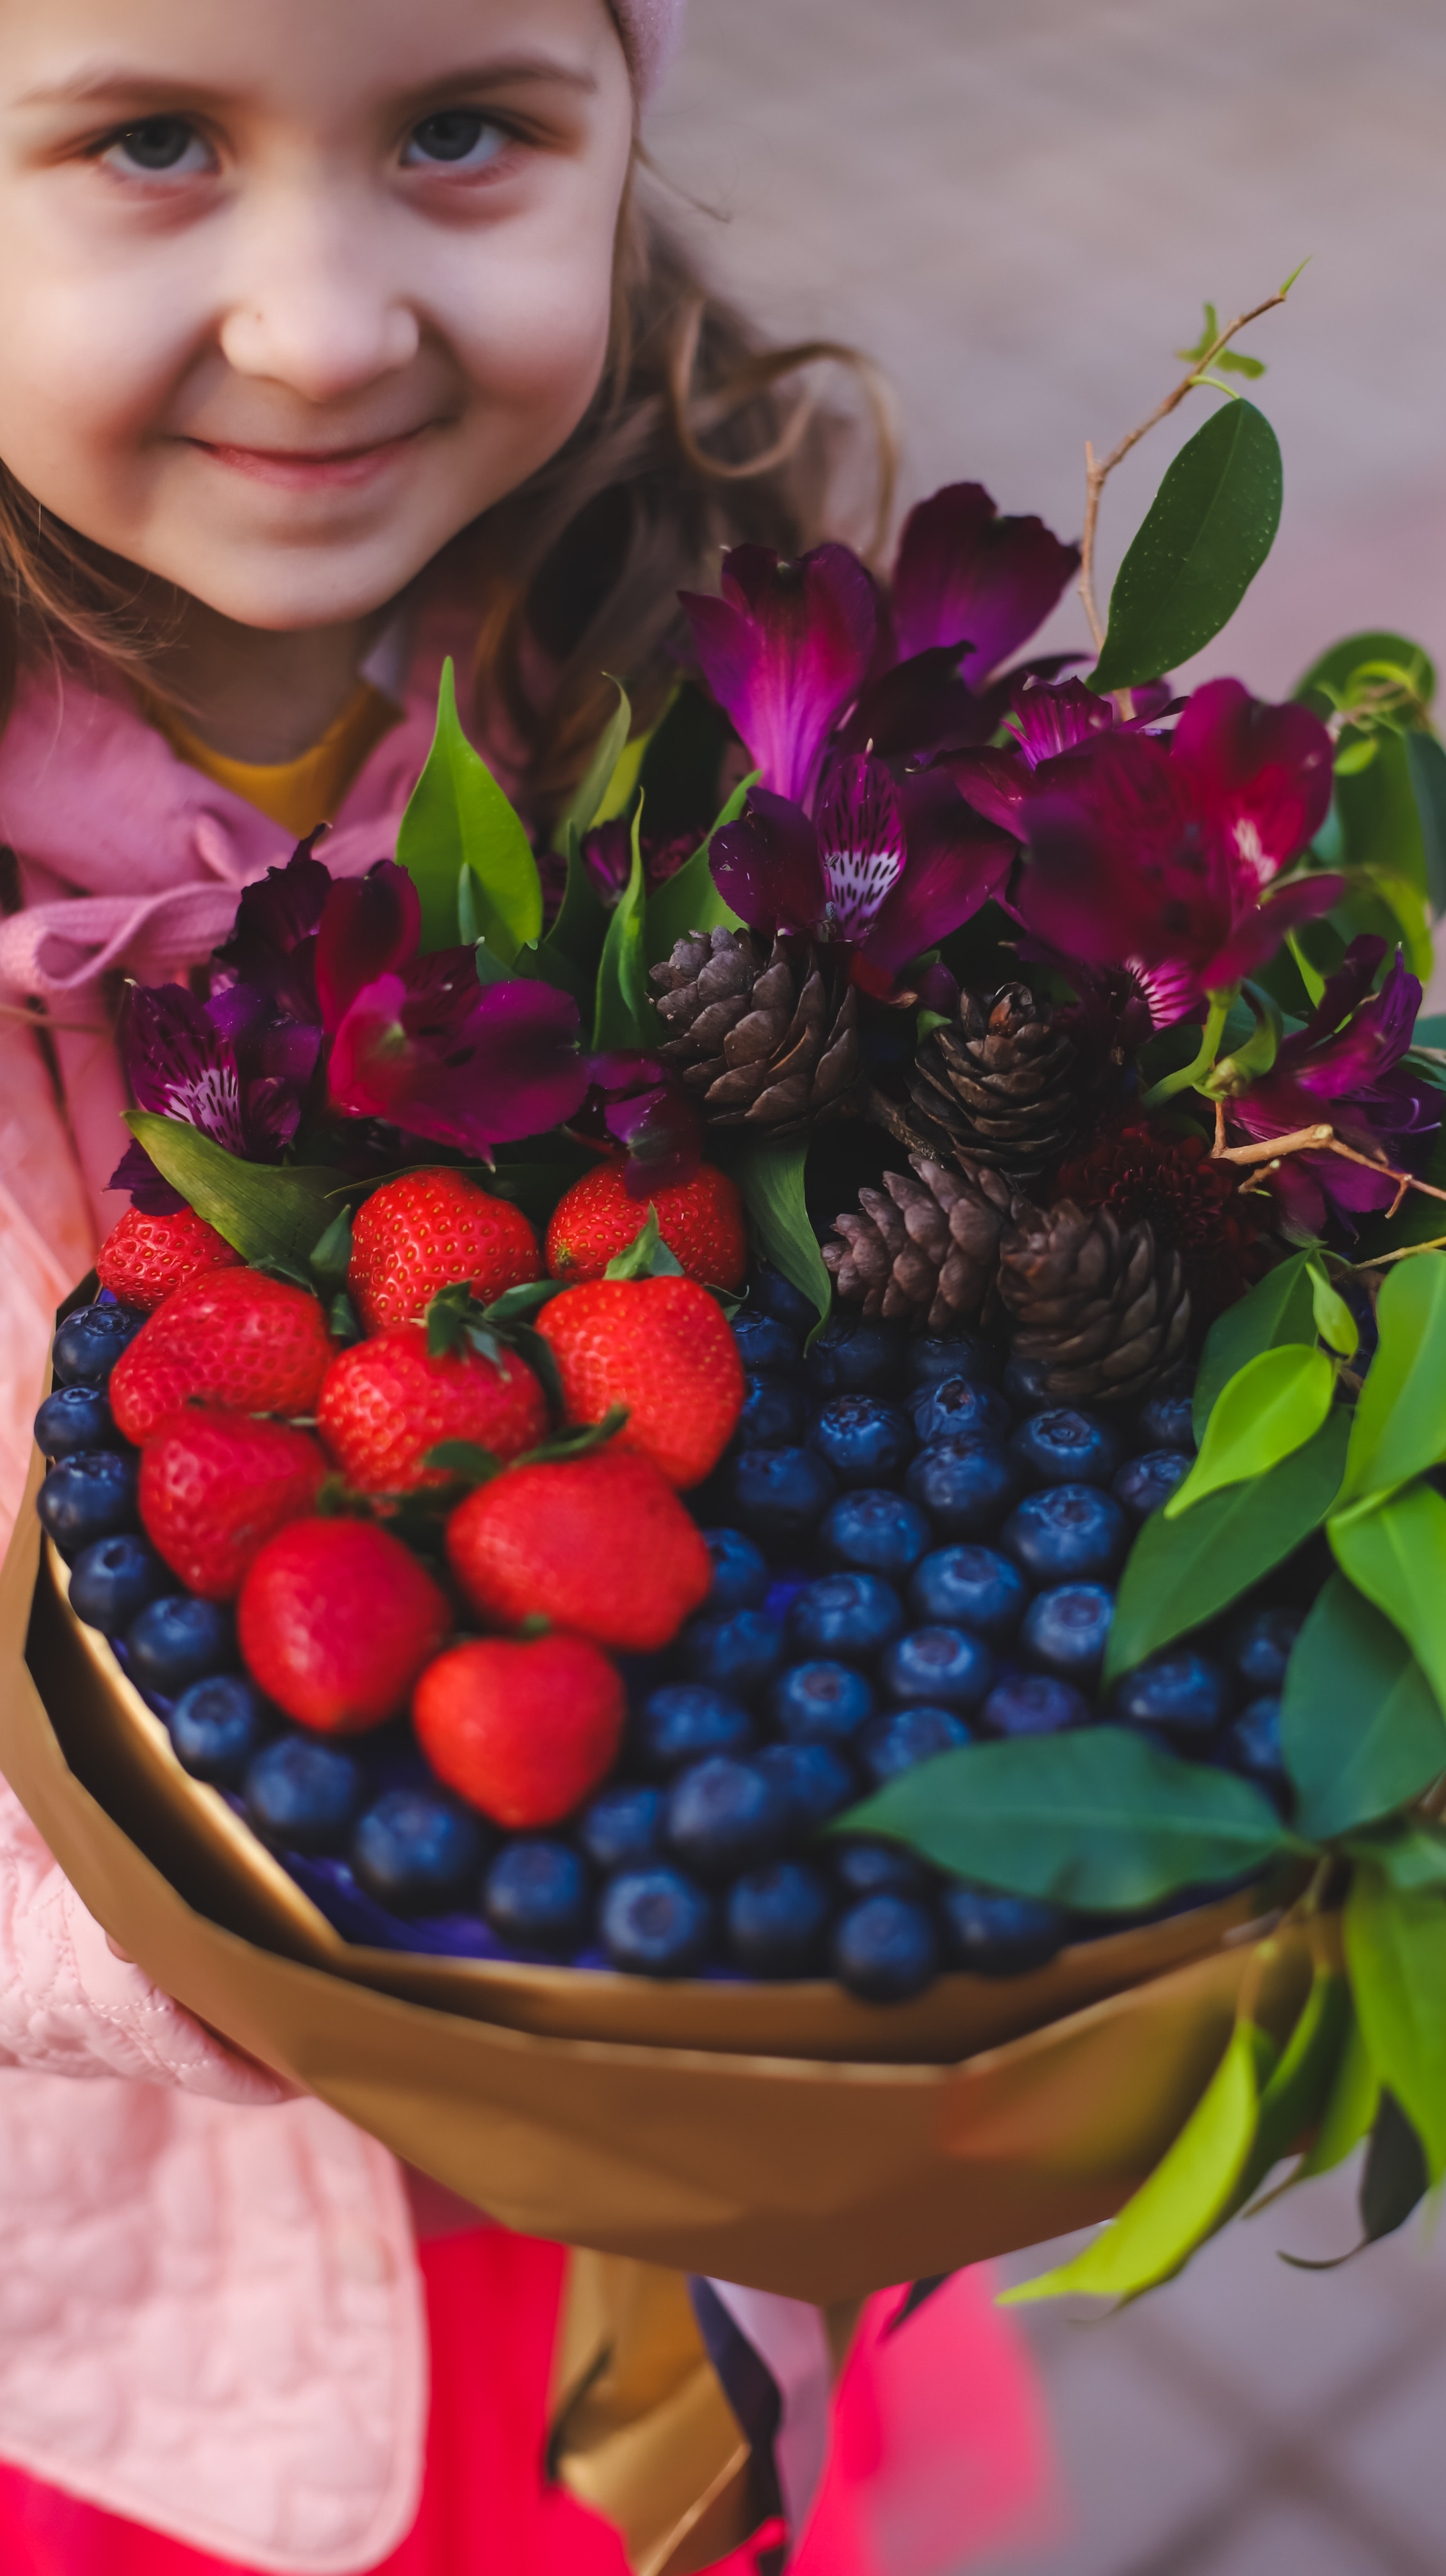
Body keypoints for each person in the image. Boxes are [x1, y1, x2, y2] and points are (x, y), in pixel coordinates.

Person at [0, 1, 1053, 2569]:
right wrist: (270, 1925)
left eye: (462, 127)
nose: (321, 327)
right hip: (193, 2301)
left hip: (671, 2123)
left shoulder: (701, 686)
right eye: (152, 139)